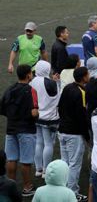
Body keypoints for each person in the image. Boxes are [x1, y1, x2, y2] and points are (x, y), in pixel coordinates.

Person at [0, 64, 38, 197]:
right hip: (26, 129)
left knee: (11, 159)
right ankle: (27, 187)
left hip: (11, 128)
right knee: (26, 161)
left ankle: (12, 186)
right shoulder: (31, 90)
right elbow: (34, 113)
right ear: (28, 75)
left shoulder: (9, 89)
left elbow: (2, 108)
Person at [57, 67, 91, 202]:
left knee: (65, 162)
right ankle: (72, 193)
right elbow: (82, 116)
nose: (89, 76)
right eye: (87, 74)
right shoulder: (81, 92)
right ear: (83, 77)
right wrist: (87, 136)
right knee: (74, 164)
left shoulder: (67, 88)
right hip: (74, 133)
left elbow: (59, 107)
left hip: (62, 130)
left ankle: (64, 190)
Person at [29, 61, 60, 179]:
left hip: (37, 116)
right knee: (48, 143)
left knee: (38, 142)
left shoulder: (32, 81)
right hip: (49, 118)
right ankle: (46, 170)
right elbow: (57, 98)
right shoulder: (51, 83)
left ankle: (38, 169)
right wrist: (57, 83)